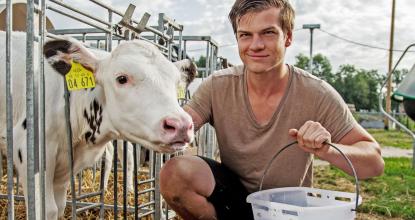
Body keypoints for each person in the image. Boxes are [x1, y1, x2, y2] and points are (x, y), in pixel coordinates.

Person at [159, 0, 385, 219]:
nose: (255, 45)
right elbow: (179, 125)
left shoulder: (317, 93)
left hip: (287, 209)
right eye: (245, 35)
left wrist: (328, 150)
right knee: (175, 173)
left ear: (287, 37)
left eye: (268, 33)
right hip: (232, 198)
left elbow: (374, 163)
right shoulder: (218, 85)